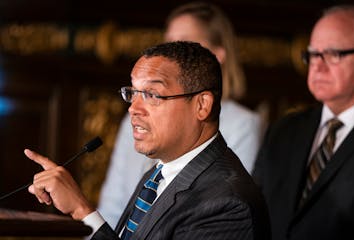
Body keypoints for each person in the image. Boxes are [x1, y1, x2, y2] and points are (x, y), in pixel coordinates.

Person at [26, 41, 270, 239]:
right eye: (132, 93)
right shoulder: (160, 172)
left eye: (152, 95)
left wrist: (82, 211)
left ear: (202, 105)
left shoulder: (227, 205)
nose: (134, 108)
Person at [98, 2, 262, 228]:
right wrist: (84, 213)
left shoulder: (241, 127)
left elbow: (210, 200)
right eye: (168, 42)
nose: (134, 108)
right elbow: (113, 207)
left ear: (215, 56)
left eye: (183, 43)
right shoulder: (138, 126)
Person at [253, 4, 354, 240]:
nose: (318, 67)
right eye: (312, 54)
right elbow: (252, 213)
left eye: (333, 54)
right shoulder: (283, 130)